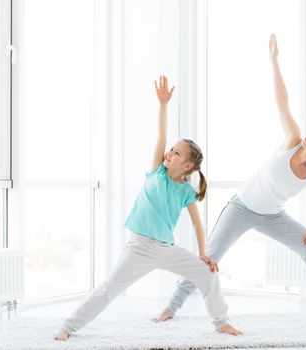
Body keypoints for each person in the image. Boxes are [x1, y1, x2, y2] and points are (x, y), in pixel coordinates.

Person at [154, 34, 306, 323]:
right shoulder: (294, 140)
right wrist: (274, 61)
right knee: (209, 258)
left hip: (273, 217)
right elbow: (281, 100)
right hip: (241, 208)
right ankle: (171, 308)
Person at [55, 76, 242, 341]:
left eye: (177, 153)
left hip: (165, 249)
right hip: (139, 247)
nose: (170, 153)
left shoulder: (186, 191)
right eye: (171, 150)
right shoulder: (157, 172)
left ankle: (221, 322)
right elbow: (161, 135)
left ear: (188, 166)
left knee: (208, 274)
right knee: (109, 288)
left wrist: (202, 254)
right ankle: (68, 327)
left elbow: (198, 224)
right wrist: (163, 105)